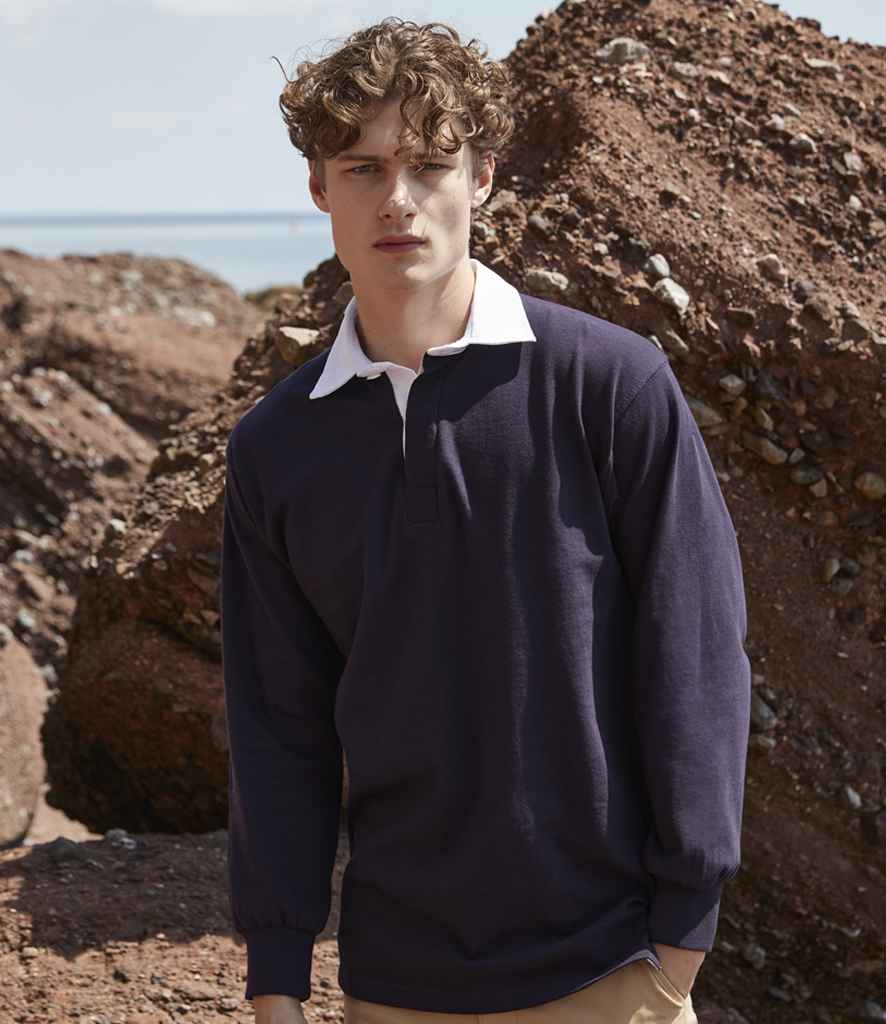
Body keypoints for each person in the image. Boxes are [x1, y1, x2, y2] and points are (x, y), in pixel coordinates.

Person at [220, 17, 752, 1024]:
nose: (399, 198)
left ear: (484, 178)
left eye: (430, 164)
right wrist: (277, 975)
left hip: (612, 972)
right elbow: (276, 724)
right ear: (320, 187)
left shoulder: (610, 385)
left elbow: (694, 657)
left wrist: (683, 933)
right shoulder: (276, 447)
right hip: (395, 987)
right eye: (364, 168)